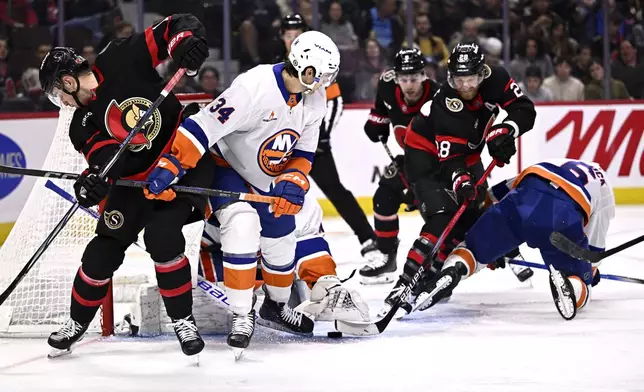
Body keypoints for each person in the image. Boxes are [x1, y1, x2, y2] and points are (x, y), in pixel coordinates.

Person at [148, 30, 340, 354]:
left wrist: (293, 180)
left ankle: (275, 307)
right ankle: (242, 313)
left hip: (270, 178)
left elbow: (304, 152)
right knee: (242, 224)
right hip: (228, 169)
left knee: (281, 239)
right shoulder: (254, 88)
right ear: (307, 69)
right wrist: (173, 163)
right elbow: (204, 124)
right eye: (323, 74)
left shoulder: (315, 99)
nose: (325, 82)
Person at [39, 14, 212, 357]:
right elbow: (103, 158)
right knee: (101, 251)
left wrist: (185, 44)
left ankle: (183, 321)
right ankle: (76, 322)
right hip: (133, 184)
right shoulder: (80, 125)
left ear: (69, 81)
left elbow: (174, 27)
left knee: (163, 239)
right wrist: (95, 183)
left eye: (60, 93)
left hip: (177, 166)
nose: (64, 103)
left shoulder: (119, 56)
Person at [384, 42, 537, 315]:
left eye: (471, 78)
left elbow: (524, 109)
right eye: (459, 79)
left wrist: (507, 130)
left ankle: (434, 274)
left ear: (483, 73)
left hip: (465, 155)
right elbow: (450, 160)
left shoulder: (497, 78)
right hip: (424, 156)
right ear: (450, 77)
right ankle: (404, 283)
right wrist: (462, 182)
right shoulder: (446, 103)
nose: (465, 86)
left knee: (472, 220)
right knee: (444, 213)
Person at [416, 159, 616, 320]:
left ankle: (455, 268)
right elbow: (593, 251)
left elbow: (493, 194)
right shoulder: (605, 192)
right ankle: (572, 286)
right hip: (560, 214)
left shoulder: (555, 162)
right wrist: (588, 273)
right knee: (582, 285)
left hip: (526, 193)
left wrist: (494, 240)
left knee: (473, 250)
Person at [277, 14, 377, 263]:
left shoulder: (319, 62)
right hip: (282, 145)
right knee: (271, 193)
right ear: (282, 38)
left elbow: (335, 101)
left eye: (296, 35)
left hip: (313, 145)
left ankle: (367, 238)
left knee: (335, 190)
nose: (292, 40)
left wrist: (320, 138)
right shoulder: (276, 65)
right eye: (288, 35)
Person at [199, 192, 370, 324]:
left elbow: (306, 235)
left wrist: (324, 281)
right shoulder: (220, 198)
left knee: (296, 217)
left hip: (276, 273)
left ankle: (328, 289)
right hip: (222, 262)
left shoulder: (297, 196)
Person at [358, 47, 439, 284]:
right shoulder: (386, 87)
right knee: (383, 196)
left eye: (414, 78)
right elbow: (379, 114)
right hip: (409, 161)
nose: (410, 85)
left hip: (438, 164)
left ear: (424, 75)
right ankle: (386, 255)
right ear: (396, 78)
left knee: (435, 213)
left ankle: (437, 268)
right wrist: (376, 124)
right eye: (404, 79)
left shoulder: (438, 96)